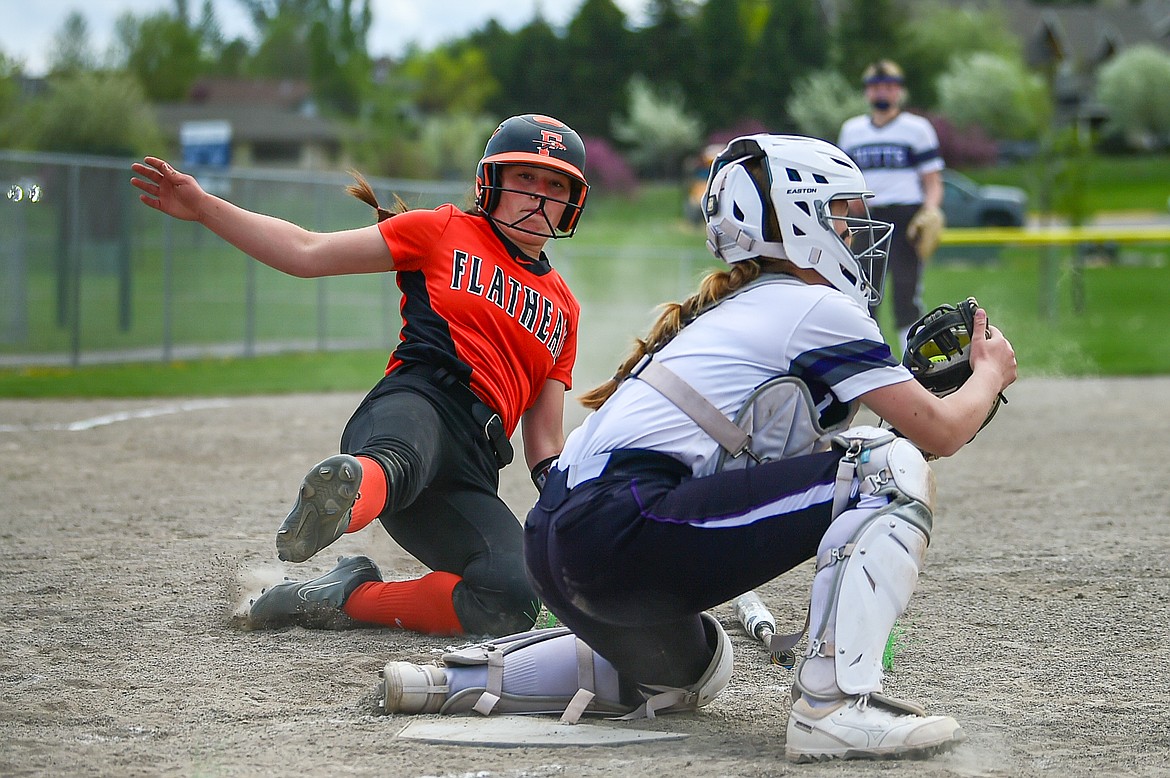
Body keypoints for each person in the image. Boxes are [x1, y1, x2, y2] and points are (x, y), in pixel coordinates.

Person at [374, 134, 1017, 763]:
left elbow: (788, 470)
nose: (852, 236)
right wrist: (987, 374)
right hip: (619, 525)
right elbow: (938, 435)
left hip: (561, 542)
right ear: (795, 221)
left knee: (696, 666)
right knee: (888, 469)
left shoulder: (734, 310)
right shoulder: (814, 308)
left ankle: (460, 681)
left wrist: (888, 442)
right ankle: (834, 709)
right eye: (840, 218)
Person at [130, 114, 590, 637]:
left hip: (472, 467)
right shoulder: (443, 229)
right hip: (416, 405)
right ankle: (347, 492)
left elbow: (545, 441)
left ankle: (340, 597)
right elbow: (307, 253)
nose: (538, 196)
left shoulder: (565, 310)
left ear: (571, 201)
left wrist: (573, 504)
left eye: (555, 185)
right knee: (400, 458)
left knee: (513, 598)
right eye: (524, 177)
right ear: (493, 181)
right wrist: (205, 208)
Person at [838, 59, 946, 353]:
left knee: (906, 294)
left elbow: (932, 180)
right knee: (862, 294)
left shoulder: (916, 129)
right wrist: (849, 204)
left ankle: (915, 362)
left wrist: (930, 211)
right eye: (875, 87)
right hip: (868, 218)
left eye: (888, 86)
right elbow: (844, 178)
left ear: (899, 91)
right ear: (867, 93)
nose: (881, 93)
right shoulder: (852, 131)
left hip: (906, 217)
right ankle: (868, 361)